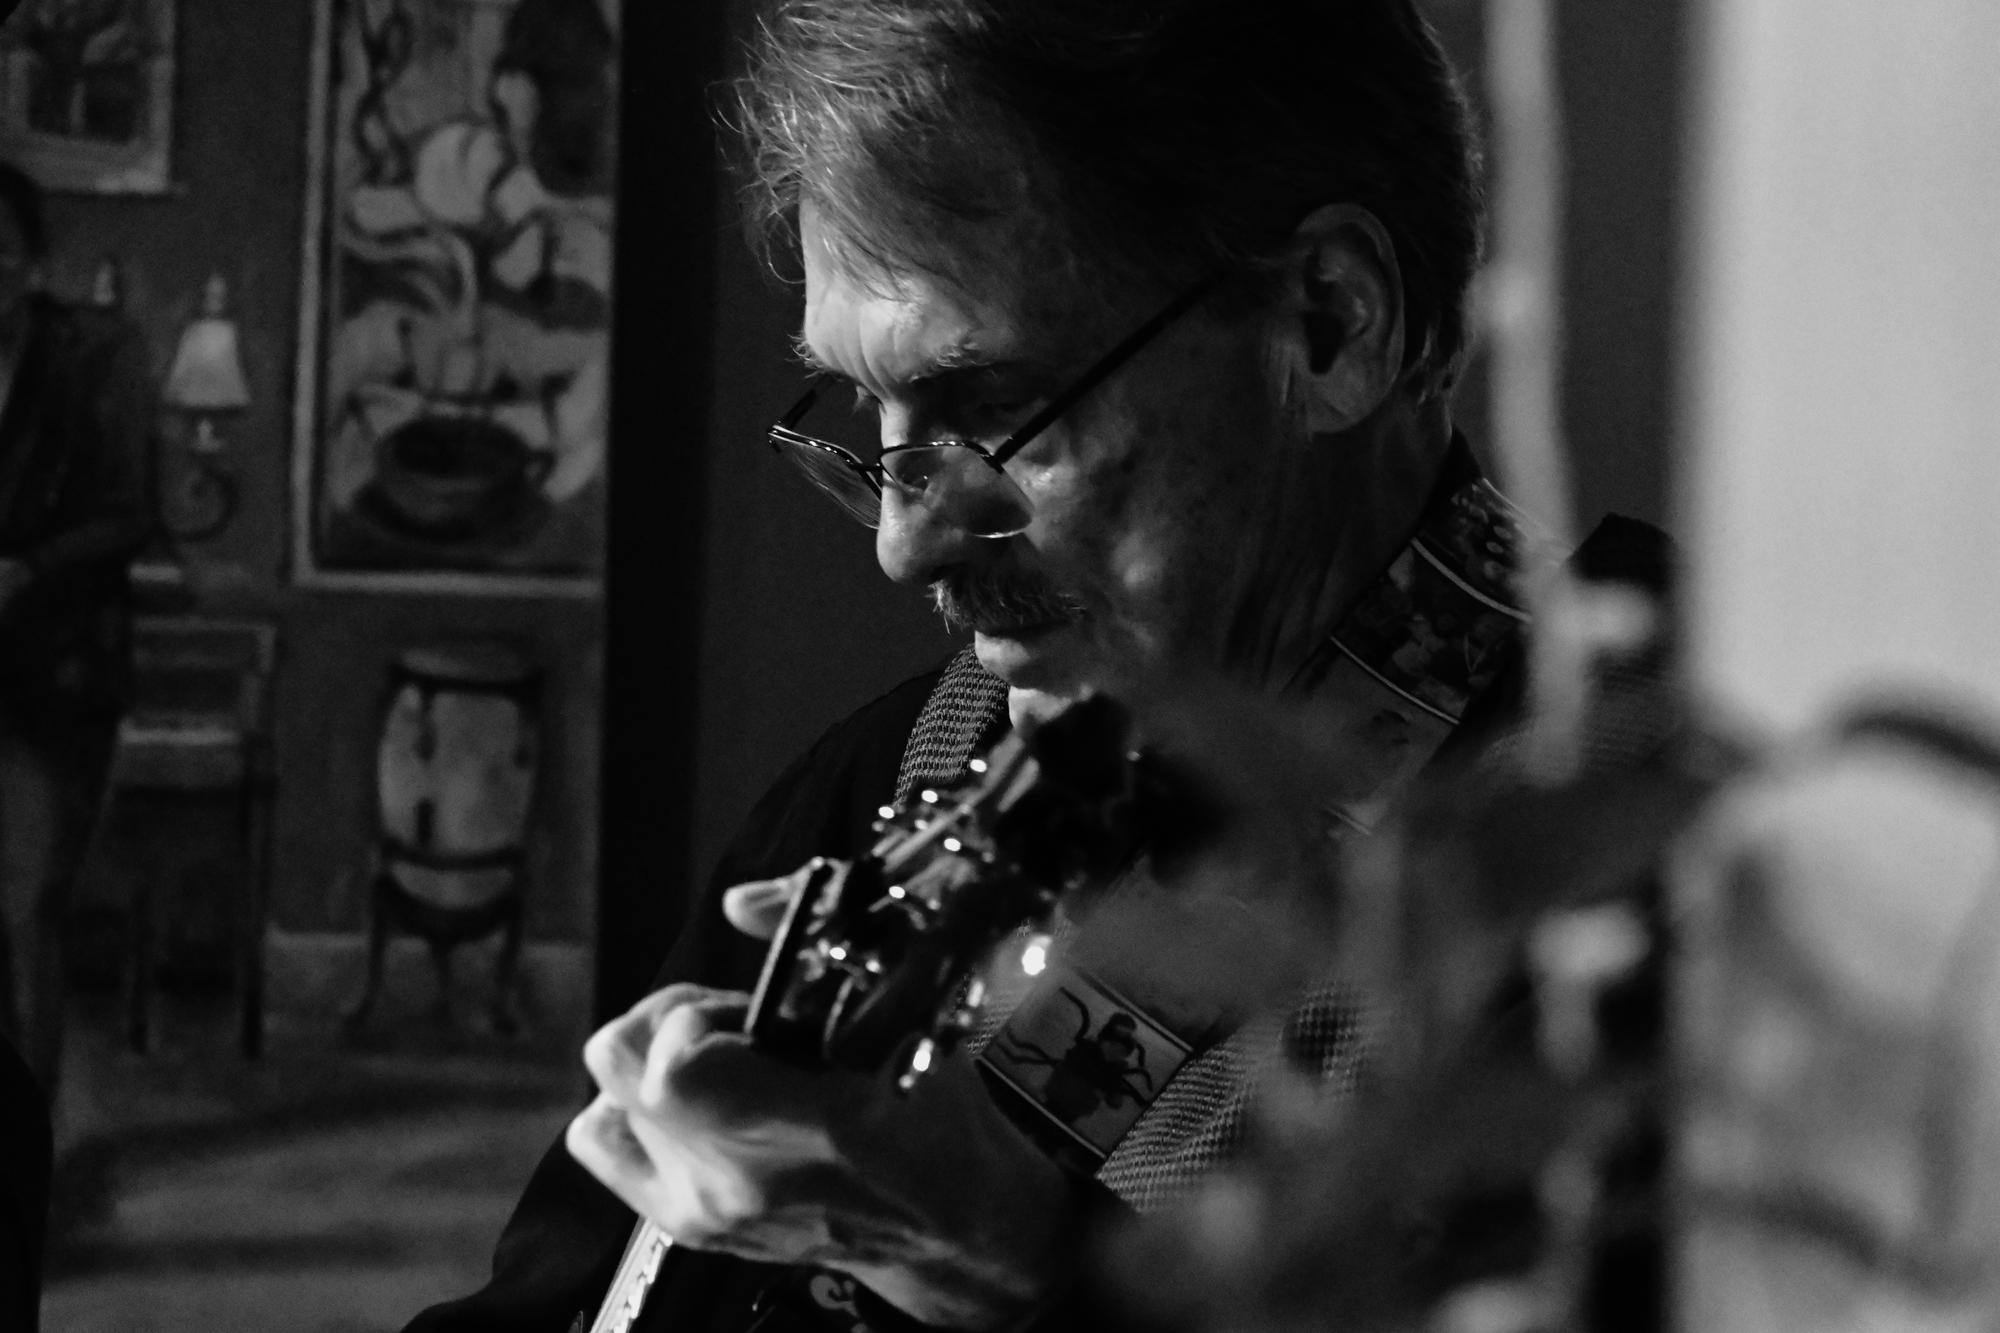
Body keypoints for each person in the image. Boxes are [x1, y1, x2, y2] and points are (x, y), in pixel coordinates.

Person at [408, 1, 1672, 1330]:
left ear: (1330, 322)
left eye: (996, 408)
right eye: (864, 419)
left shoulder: (1655, 848)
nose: (904, 541)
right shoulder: (891, 782)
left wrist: (1011, 1273)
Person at [0, 159, 157, 1101]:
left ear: (31, 260)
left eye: (1, 251)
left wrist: (26, 570)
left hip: (56, 672)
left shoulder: (94, 355)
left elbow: (132, 513)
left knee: (25, 910)